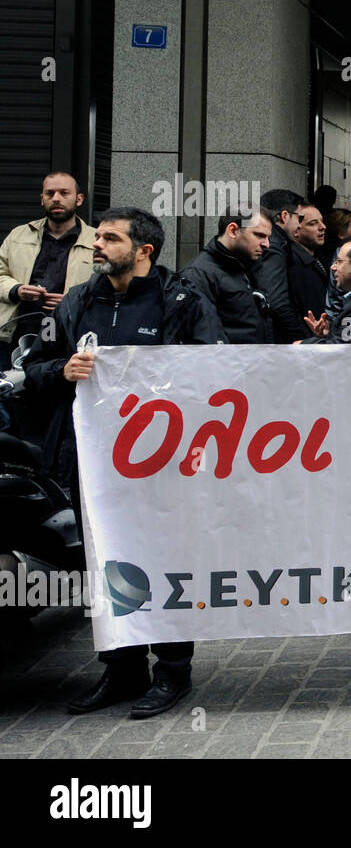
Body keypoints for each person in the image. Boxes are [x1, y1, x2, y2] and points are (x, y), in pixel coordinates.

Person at [23, 207, 223, 716]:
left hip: (162, 464)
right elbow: (36, 370)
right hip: (92, 462)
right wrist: (62, 370)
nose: (97, 244)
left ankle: (173, 671)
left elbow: (214, 373)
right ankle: (122, 669)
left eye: (110, 238)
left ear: (143, 251)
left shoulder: (181, 300)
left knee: (165, 562)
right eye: (100, 236)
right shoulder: (77, 301)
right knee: (105, 563)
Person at [0, 172, 97, 357]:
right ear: (42, 199)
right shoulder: (18, 235)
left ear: (79, 199)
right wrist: (16, 289)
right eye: (50, 193)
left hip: (68, 339)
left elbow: (111, 289)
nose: (56, 198)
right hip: (14, 336)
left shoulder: (97, 241)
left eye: (64, 193)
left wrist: (73, 303)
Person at [180, 208, 274, 345]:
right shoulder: (199, 273)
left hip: (254, 361)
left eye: (268, 237)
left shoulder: (250, 264)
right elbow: (200, 335)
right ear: (233, 231)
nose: (267, 244)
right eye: (259, 235)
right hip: (227, 363)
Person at [254, 188, 307, 343]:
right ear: (285, 216)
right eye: (300, 217)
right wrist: (297, 338)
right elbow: (277, 300)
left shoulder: (278, 242)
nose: (300, 224)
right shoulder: (275, 246)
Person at [286, 200, 328, 337]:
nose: (322, 227)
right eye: (312, 223)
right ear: (296, 231)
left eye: (321, 221)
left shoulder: (317, 257)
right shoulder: (294, 264)